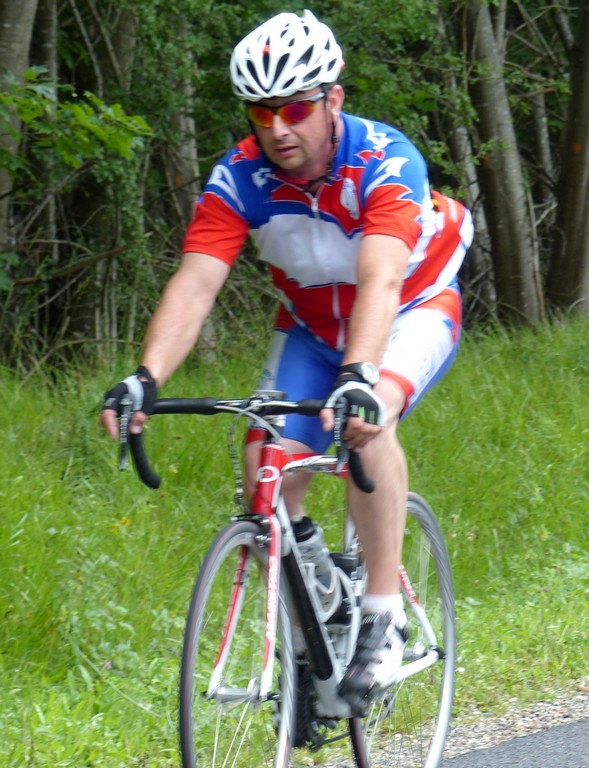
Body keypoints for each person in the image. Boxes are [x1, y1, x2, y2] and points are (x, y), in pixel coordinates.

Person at [101, 9, 473, 716]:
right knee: (262, 471)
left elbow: (380, 279)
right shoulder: (240, 175)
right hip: (311, 324)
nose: (277, 128)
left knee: (368, 418)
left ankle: (382, 615)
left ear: (334, 99)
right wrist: (144, 378)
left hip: (408, 306)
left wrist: (360, 376)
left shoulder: (384, 160)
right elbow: (197, 282)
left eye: (295, 109)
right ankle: (318, 612)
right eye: (261, 112)